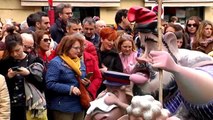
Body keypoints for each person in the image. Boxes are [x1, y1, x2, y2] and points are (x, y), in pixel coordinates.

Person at [127, 6, 213, 119]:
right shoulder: (154, 92)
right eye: (142, 49)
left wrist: (176, 69)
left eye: (152, 47)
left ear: (171, 44)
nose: (141, 58)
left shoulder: (194, 62)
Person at [0, 26, 46, 120]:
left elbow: (42, 84)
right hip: (11, 106)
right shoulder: (5, 62)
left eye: (17, 50)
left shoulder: (34, 60)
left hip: (31, 106)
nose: (15, 54)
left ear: (22, 45)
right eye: (11, 52)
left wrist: (28, 74)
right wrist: (8, 77)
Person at [45, 33, 87, 120]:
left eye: (79, 48)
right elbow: (50, 83)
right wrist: (70, 89)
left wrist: (86, 83)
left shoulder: (79, 62)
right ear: (66, 48)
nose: (79, 51)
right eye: (75, 48)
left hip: (79, 104)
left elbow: (81, 78)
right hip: (63, 106)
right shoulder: (56, 63)